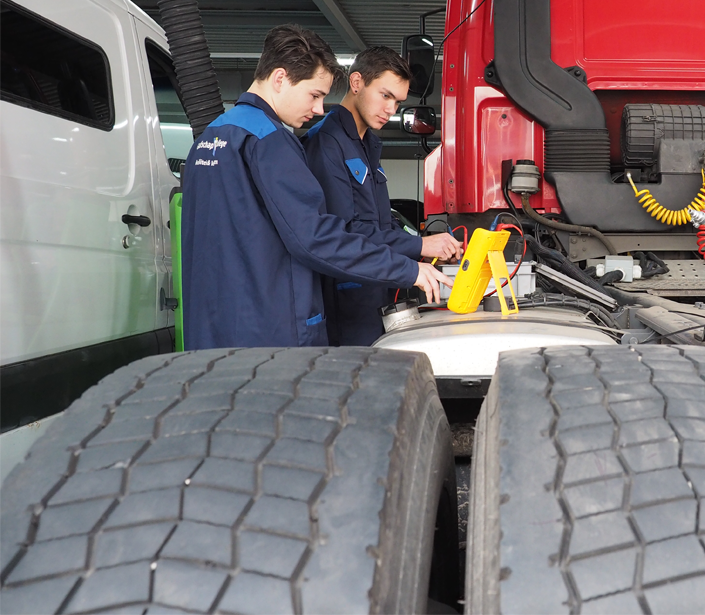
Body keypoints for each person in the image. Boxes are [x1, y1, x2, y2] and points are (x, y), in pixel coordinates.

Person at [181, 25, 452, 349]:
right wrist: (408, 270)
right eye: (315, 95)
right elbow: (315, 237)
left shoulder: (209, 139)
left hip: (212, 333)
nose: (320, 109)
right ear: (280, 79)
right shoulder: (271, 142)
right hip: (270, 335)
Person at [302, 46, 462, 346]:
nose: (391, 110)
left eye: (398, 102)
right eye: (385, 96)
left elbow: (381, 225)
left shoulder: (368, 146)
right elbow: (343, 233)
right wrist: (420, 244)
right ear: (357, 82)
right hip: (346, 304)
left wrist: (421, 250)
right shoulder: (326, 144)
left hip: (377, 292)